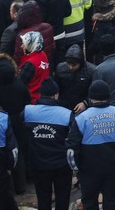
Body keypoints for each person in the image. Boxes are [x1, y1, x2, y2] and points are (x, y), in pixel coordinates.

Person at [66, 80, 115, 210]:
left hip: (89, 171)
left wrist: (77, 170)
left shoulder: (81, 118)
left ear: (90, 97)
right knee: (111, 202)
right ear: (108, 95)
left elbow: (71, 149)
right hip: (114, 169)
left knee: (89, 203)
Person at [23, 78, 73, 210]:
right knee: (62, 197)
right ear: (56, 95)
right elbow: (73, 139)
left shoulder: (28, 112)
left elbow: (23, 135)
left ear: (40, 94)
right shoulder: (66, 114)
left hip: (38, 163)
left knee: (43, 197)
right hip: (61, 164)